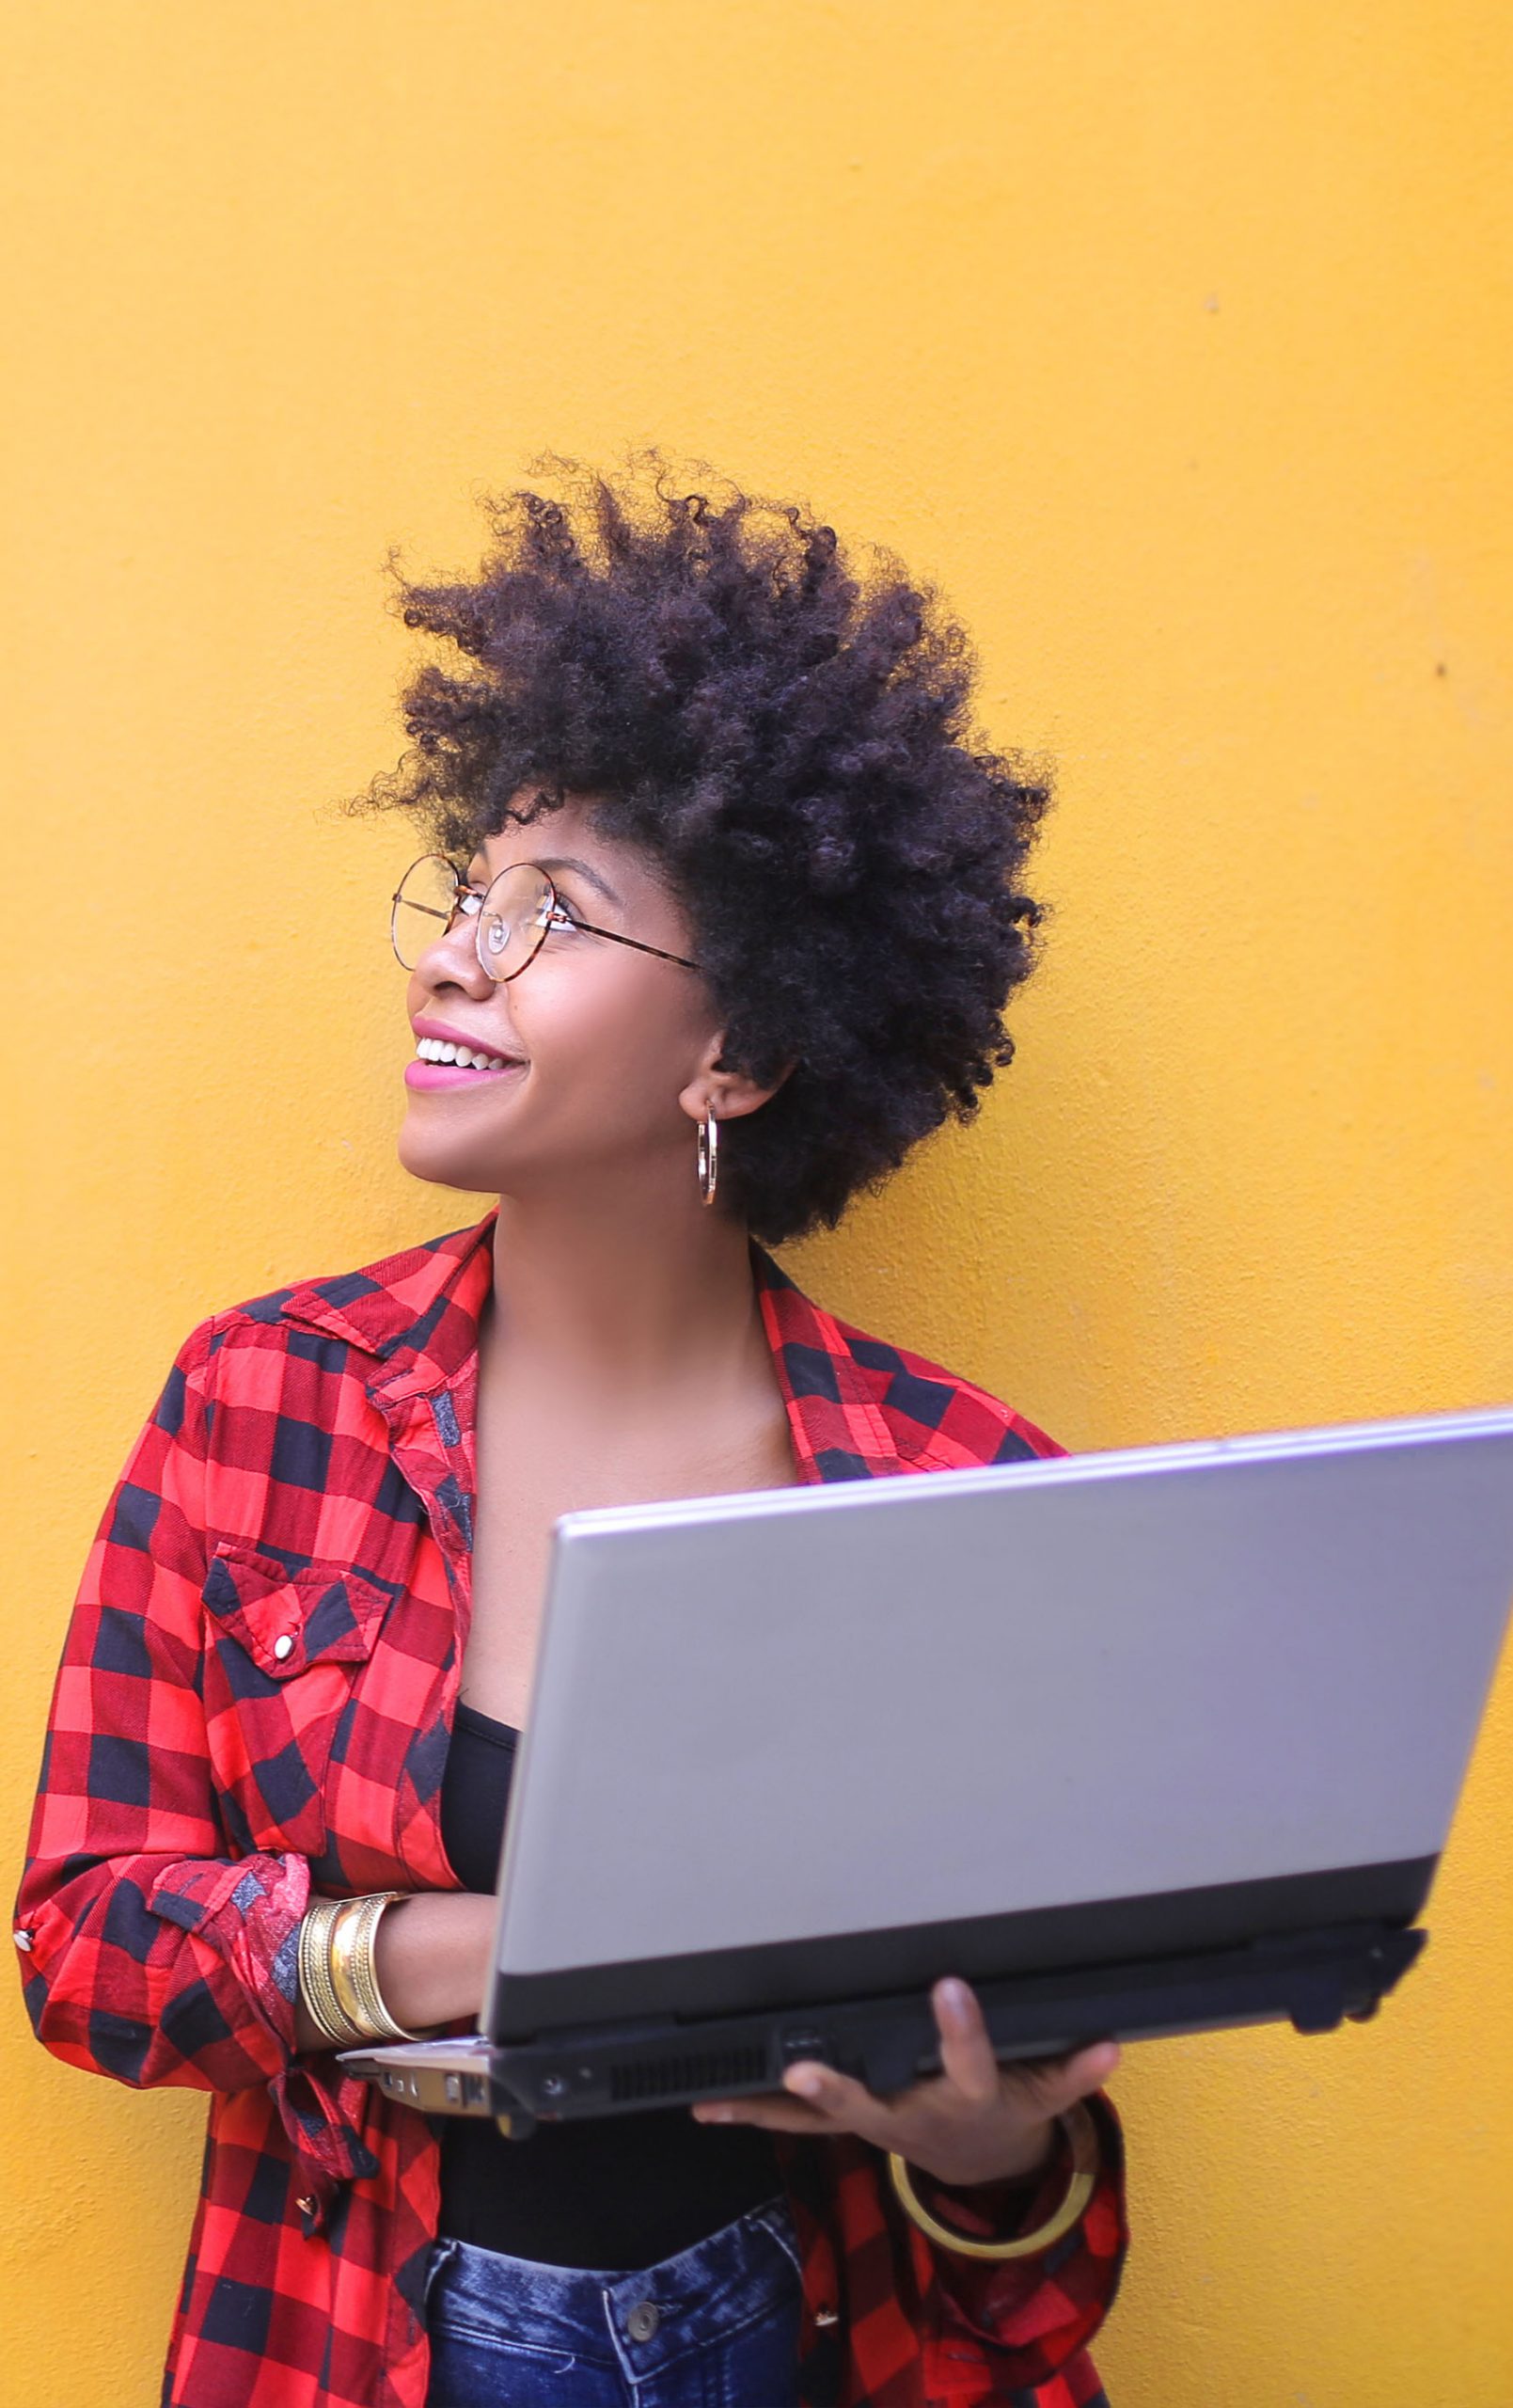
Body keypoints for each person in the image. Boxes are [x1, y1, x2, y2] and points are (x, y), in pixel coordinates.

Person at [16, 461, 1128, 2408]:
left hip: (796, 2335)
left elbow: (1032, 2295)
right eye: (468, 892)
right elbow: (81, 1942)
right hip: (364, 2342)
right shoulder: (262, 1398)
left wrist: (986, 2153)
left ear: (741, 1053)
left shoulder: (970, 1492)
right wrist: (484, 1949)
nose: (451, 952)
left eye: (556, 916)